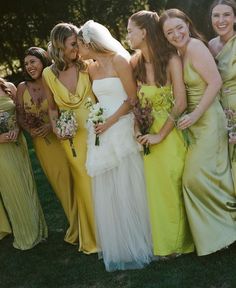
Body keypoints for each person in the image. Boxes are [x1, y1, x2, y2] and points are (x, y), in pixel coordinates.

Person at [159, 8, 236, 256]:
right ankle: (221, 232)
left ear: (187, 24)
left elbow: (215, 82)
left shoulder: (194, 47)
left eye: (179, 27)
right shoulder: (178, 52)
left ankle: (226, 228)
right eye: (169, 31)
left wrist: (194, 115)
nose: (176, 34)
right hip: (195, 123)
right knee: (210, 176)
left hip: (209, 120)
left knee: (194, 179)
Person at [77, 20, 152, 271]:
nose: (78, 51)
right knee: (109, 187)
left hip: (120, 126)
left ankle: (143, 239)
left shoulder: (120, 60)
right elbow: (97, 98)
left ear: (90, 43)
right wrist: (97, 119)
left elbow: (131, 98)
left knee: (130, 183)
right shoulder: (91, 69)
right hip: (102, 131)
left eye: (79, 45)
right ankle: (121, 244)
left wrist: (109, 121)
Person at [127, 10, 194, 257]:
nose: (127, 36)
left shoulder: (170, 60)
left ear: (144, 32)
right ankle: (165, 243)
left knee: (172, 186)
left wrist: (161, 135)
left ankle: (181, 243)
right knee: (156, 192)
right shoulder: (135, 63)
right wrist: (137, 127)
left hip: (170, 134)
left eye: (130, 30)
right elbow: (135, 101)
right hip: (147, 137)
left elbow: (180, 103)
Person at [42, 23, 97, 254]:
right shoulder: (48, 74)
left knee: (100, 179)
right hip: (70, 136)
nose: (78, 47)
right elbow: (53, 109)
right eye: (74, 43)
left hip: (96, 130)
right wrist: (57, 128)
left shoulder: (87, 66)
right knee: (84, 183)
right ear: (60, 45)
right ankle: (95, 238)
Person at [16, 47, 79, 245]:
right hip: (42, 145)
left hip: (61, 137)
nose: (29, 66)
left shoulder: (54, 78)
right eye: (26, 64)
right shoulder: (22, 88)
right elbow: (19, 114)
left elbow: (62, 107)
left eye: (32, 61)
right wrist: (30, 129)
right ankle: (76, 226)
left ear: (43, 60)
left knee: (75, 178)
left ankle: (87, 222)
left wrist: (49, 126)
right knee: (60, 183)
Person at [0, 77, 47, 249]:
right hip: (1, 150)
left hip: (18, 144)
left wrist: (16, 129)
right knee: (13, 189)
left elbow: (19, 116)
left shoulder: (8, 87)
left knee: (27, 184)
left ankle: (38, 229)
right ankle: (25, 234)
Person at [209, 0, 236, 182]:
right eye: (216, 15)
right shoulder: (209, 45)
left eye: (226, 15)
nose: (221, 20)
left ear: (235, 18)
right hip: (216, 114)